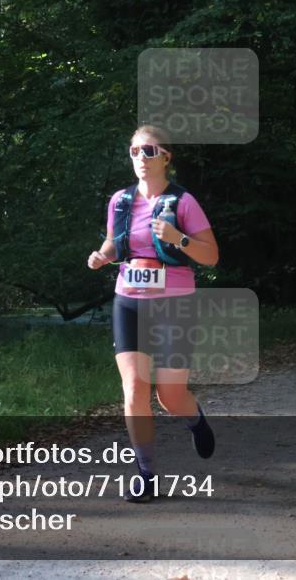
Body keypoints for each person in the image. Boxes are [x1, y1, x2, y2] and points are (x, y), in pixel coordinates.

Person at [87, 125, 219, 503]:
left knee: (169, 395)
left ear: (166, 157)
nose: (140, 159)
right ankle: (145, 475)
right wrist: (101, 256)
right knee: (134, 390)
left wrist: (178, 238)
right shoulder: (121, 201)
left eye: (149, 151)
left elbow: (211, 256)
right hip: (129, 300)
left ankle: (194, 418)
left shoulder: (184, 202)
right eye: (134, 152)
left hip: (174, 303)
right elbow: (115, 243)